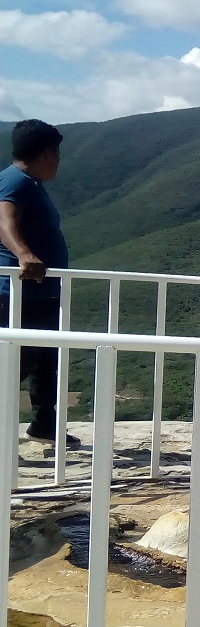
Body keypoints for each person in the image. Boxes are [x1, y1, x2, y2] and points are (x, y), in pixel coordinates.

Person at [0, 119, 80, 447]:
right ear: (47, 153)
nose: (59, 161)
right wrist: (24, 254)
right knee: (14, 364)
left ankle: (45, 424)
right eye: (57, 153)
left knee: (47, 361)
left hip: (40, 292)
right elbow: (3, 219)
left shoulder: (30, 183)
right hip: (19, 293)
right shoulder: (15, 181)